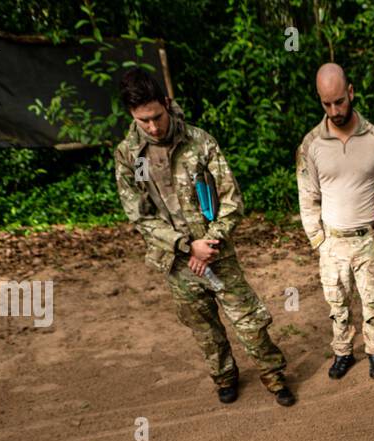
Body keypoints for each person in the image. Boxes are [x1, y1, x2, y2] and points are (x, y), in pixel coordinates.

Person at [113, 69, 294, 406]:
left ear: (167, 103)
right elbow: (139, 214)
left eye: (156, 117)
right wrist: (185, 246)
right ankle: (224, 377)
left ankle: (273, 373)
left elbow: (232, 199)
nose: (153, 127)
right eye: (143, 121)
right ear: (131, 116)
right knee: (204, 327)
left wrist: (209, 243)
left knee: (248, 319)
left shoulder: (199, 142)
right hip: (177, 261)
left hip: (217, 252)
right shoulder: (132, 156)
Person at [296, 63, 374, 381]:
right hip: (332, 241)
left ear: (351, 92)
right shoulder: (311, 144)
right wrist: (319, 241)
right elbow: (307, 196)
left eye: (339, 101)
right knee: (337, 305)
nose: (334, 109)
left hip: (368, 238)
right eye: (326, 103)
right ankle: (342, 353)